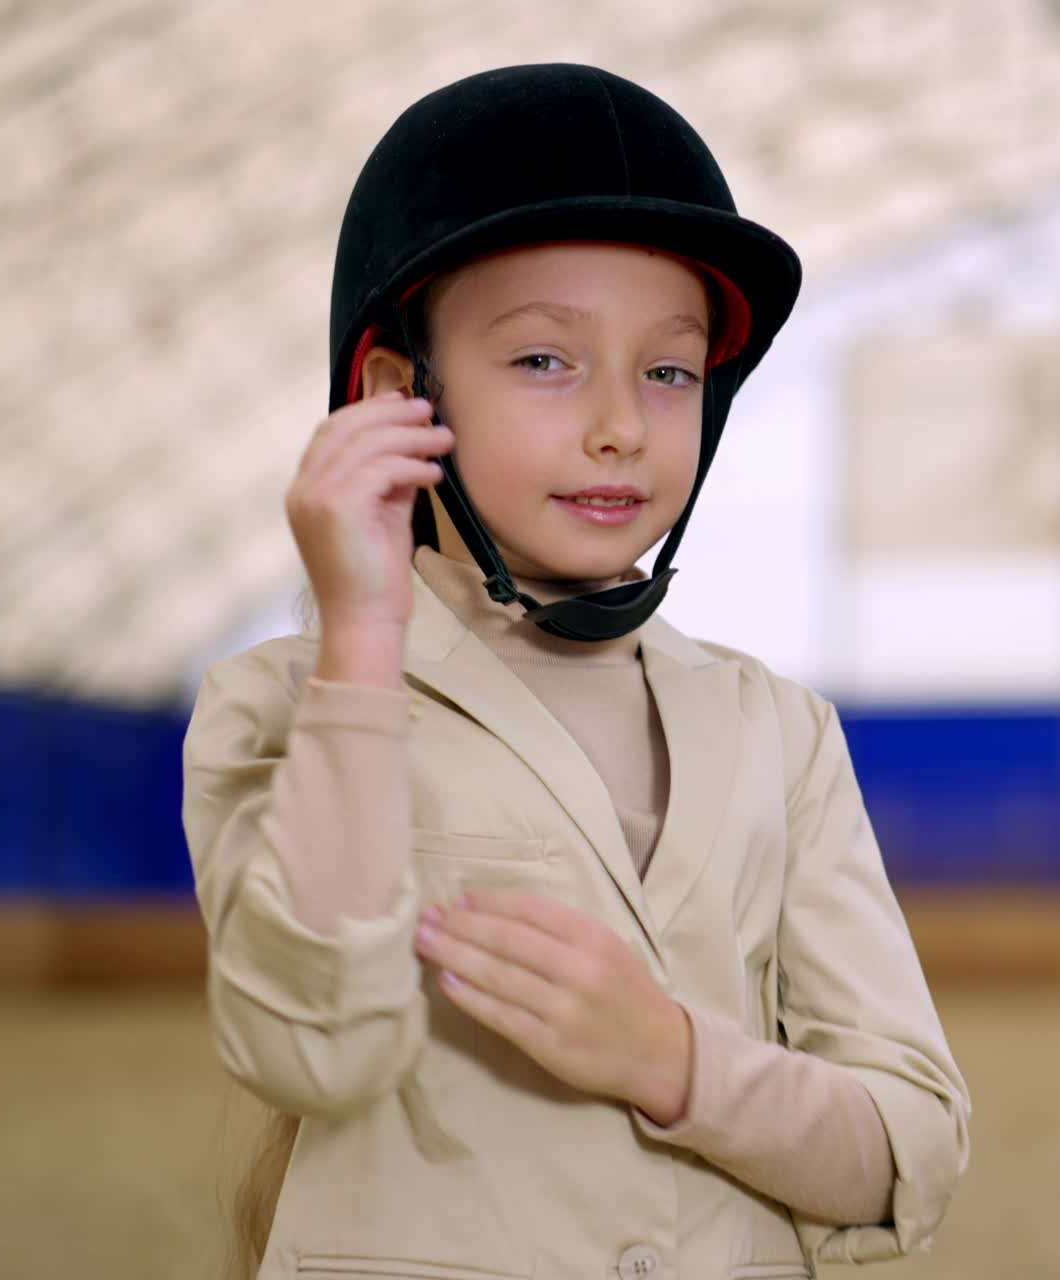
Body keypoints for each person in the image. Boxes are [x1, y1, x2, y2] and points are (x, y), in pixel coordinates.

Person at [183, 63, 969, 1280]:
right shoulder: (284, 704)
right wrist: (359, 640)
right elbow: (309, 1050)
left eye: (668, 369)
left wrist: (673, 1058)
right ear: (398, 393)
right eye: (545, 359)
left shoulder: (783, 730)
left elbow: (906, 1149)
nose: (620, 423)